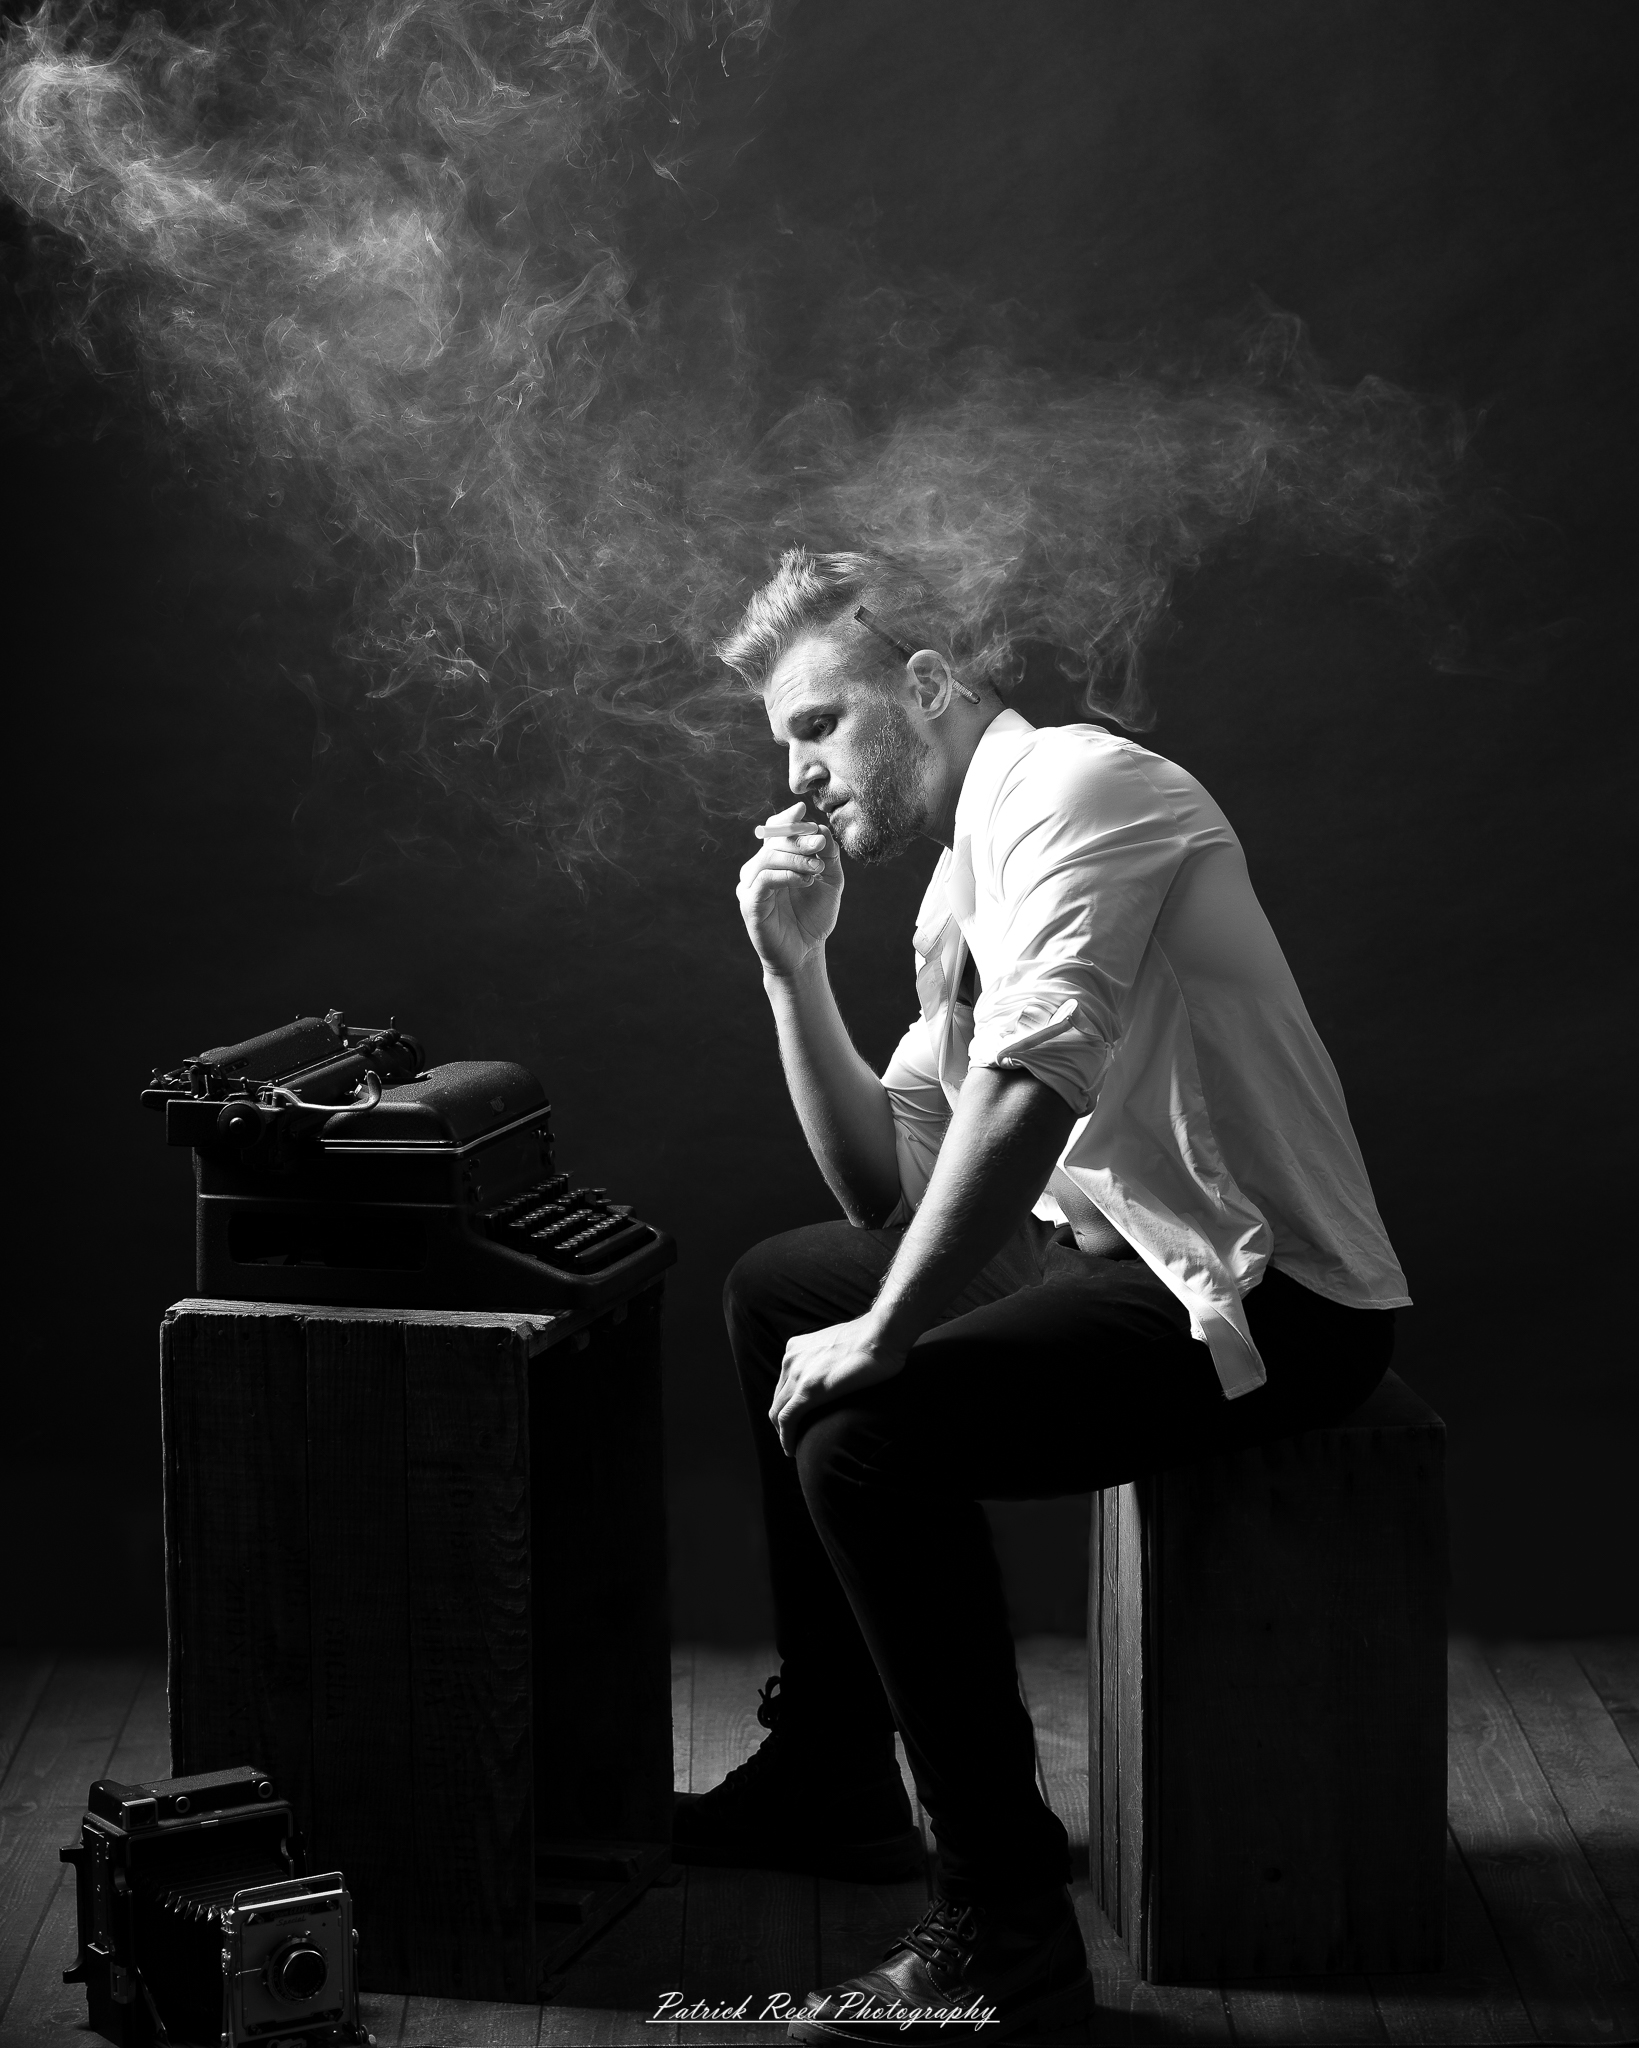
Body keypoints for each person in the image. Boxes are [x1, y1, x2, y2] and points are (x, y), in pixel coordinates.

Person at [676, 547, 1408, 2044]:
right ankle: (833, 1770)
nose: (802, 778)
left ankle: (1004, 1923)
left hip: (1268, 1292)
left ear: (929, 687)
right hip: (1103, 1252)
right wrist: (790, 973)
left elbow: (1029, 1088)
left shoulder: (1081, 791)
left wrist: (888, 1337)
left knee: (864, 1431)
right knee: (780, 1290)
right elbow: (890, 1191)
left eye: (820, 726)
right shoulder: (959, 880)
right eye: (787, 748)